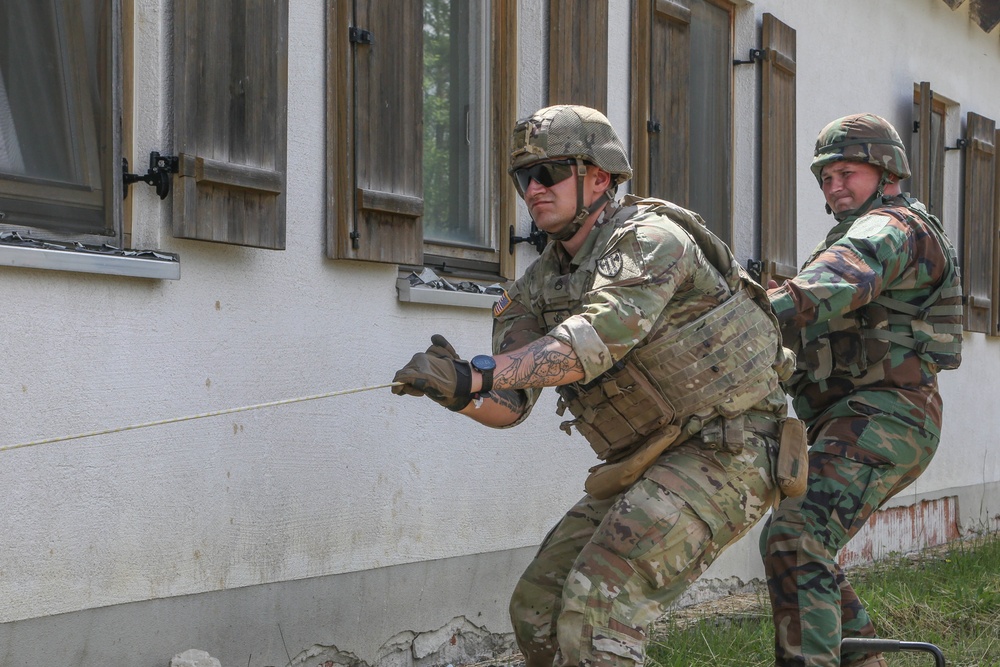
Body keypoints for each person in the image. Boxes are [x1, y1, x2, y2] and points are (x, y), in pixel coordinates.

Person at [392, 104, 798, 667]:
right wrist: (459, 394)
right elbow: (510, 404)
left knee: (598, 610)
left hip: (730, 447)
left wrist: (478, 372)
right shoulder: (533, 288)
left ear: (599, 177)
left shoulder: (652, 240)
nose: (533, 188)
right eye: (522, 178)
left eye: (550, 172)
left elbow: (593, 341)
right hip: (647, 457)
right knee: (537, 605)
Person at [760, 113, 964, 667]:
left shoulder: (894, 228)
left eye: (846, 172)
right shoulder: (850, 236)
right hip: (851, 415)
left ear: (886, 169)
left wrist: (757, 310)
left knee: (797, 533)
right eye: (825, 178)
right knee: (798, 543)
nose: (834, 187)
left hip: (891, 414)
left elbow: (843, 277)